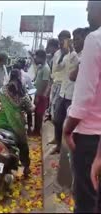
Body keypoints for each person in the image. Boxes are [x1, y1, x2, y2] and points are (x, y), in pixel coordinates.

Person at [63, 1, 101, 212]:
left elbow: (85, 96)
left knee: (87, 201)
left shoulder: (95, 40)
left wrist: (67, 129)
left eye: (89, 6)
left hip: (89, 138)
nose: (87, 12)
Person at [50, 28, 89, 155]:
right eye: (74, 39)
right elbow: (58, 68)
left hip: (74, 96)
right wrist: (63, 53)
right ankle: (58, 145)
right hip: (63, 92)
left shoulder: (84, 56)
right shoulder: (67, 54)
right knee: (57, 119)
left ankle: (67, 151)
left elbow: (74, 75)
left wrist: (71, 53)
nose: (75, 43)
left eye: (77, 40)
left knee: (70, 126)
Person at [0, 69, 35, 177]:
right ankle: (26, 168)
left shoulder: (2, 90)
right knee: (23, 145)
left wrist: (2, 106)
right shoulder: (23, 94)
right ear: (20, 78)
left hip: (0, 123)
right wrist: (34, 107)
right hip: (16, 126)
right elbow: (30, 109)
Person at [47, 30, 71, 125]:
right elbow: (56, 69)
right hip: (55, 84)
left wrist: (65, 54)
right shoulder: (57, 53)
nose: (61, 43)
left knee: (61, 114)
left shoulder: (71, 53)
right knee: (54, 110)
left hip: (65, 86)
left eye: (63, 40)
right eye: (60, 40)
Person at [33, 50, 51, 136]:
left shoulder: (46, 68)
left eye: (36, 57)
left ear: (41, 57)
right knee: (36, 112)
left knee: (39, 114)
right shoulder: (41, 67)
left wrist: (38, 96)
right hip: (37, 93)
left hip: (41, 95)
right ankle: (35, 130)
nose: (35, 59)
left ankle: (37, 131)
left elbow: (45, 83)